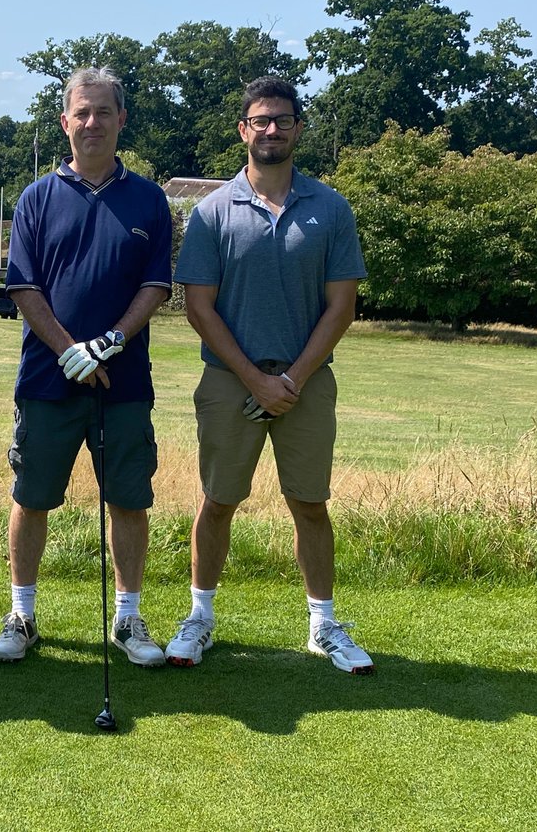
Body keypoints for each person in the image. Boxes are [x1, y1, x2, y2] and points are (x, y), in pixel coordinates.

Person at [168, 76, 373, 674]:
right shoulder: (212, 211)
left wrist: (296, 378)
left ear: (298, 129)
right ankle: (201, 617)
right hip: (230, 382)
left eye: (282, 119)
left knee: (310, 504)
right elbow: (199, 308)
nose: (272, 129)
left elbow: (342, 305)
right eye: (261, 120)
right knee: (218, 500)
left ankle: (324, 626)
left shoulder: (331, 209)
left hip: (307, 383)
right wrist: (254, 379)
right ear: (243, 131)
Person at [0, 67, 173, 667]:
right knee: (33, 496)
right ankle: (22, 613)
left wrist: (108, 344)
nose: (92, 123)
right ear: (65, 122)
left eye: (103, 112)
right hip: (47, 380)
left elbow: (154, 287)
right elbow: (23, 286)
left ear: (121, 120)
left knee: (128, 498)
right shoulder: (37, 197)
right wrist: (71, 351)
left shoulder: (148, 199)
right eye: (81, 113)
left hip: (124, 381)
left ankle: (127, 618)